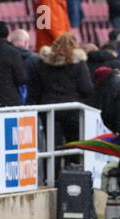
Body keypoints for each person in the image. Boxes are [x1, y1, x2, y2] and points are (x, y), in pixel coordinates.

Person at [28, 33, 93, 168]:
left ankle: (52, 177)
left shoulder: (42, 64)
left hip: (49, 109)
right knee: (74, 145)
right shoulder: (79, 65)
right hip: (72, 109)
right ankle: (73, 174)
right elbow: (86, 88)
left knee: (52, 146)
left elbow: (35, 89)